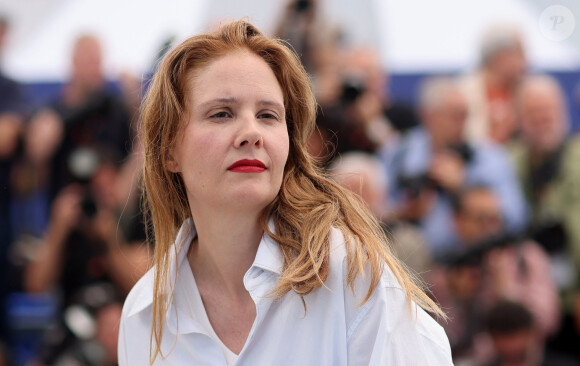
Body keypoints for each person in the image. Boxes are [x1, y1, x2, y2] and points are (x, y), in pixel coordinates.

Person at [118, 20, 452, 365]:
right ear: (170, 150)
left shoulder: (350, 273)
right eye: (221, 114)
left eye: (268, 115)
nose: (251, 132)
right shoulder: (143, 314)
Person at [381, 76, 527, 256]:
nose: (462, 123)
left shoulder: (490, 157)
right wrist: (405, 213)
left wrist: (464, 187)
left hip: (477, 259)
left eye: (465, 115)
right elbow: (375, 209)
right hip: (414, 263)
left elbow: (517, 216)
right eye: (454, 116)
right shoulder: (398, 153)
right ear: (427, 116)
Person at [429, 186, 559, 364]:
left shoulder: (527, 257)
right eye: (482, 219)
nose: (491, 228)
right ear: (458, 221)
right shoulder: (447, 271)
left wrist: (505, 290)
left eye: (496, 219)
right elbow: (443, 339)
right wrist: (458, 299)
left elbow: (547, 322)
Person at [508, 74, 580, 360]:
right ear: (519, 118)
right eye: (533, 112)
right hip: (530, 295)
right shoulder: (509, 162)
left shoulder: (576, 157)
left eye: (548, 110)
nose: (542, 118)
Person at [460, 23, 527, 144]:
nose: (526, 62)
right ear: (500, 57)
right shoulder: (464, 93)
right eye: (519, 54)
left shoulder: (528, 89)